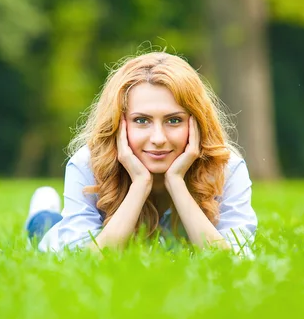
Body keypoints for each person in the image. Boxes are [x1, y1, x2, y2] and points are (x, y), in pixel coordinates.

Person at [25, 52, 257, 255]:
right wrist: (140, 184)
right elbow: (87, 261)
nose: (158, 138)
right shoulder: (87, 163)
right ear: (118, 123)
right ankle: (43, 210)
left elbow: (234, 261)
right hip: (63, 233)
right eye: (142, 120)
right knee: (45, 229)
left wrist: (176, 182)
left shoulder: (227, 167)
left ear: (197, 123)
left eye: (174, 120)